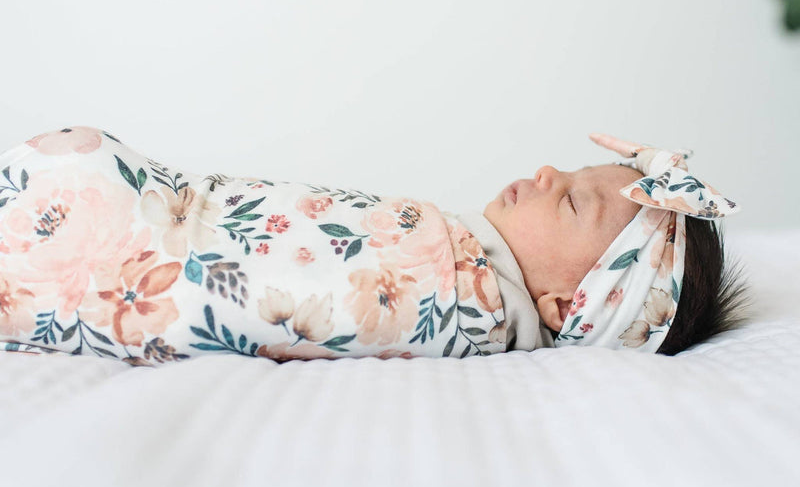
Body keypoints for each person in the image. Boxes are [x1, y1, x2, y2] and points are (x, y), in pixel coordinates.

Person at [0, 127, 747, 364]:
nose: (548, 173)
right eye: (572, 171)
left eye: (575, 198)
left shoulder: (465, 297)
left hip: (150, 259)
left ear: (567, 303)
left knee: (74, 193)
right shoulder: (468, 251)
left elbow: (293, 303)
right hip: (189, 206)